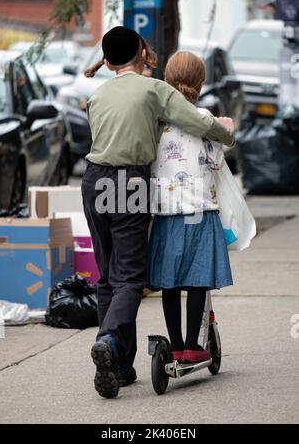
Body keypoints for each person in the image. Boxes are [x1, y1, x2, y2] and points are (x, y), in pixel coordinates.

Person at [81, 26, 234, 399]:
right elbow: (197, 122)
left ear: (107, 60)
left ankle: (120, 365)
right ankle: (108, 340)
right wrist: (226, 132)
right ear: (141, 54)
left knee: (108, 278)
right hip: (129, 183)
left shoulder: (98, 95)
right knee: (130, 278)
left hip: (93, 181)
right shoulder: (154, 89)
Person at [147, 51, 233, 364]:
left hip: (166, 213)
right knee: (197, 278)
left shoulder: (156, 123)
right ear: (201, 81)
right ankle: (193, 347)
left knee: (170, 282)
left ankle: (176, 342)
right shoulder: (206, 121)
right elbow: (217, 161)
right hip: (200, 210)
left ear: (167, 81)